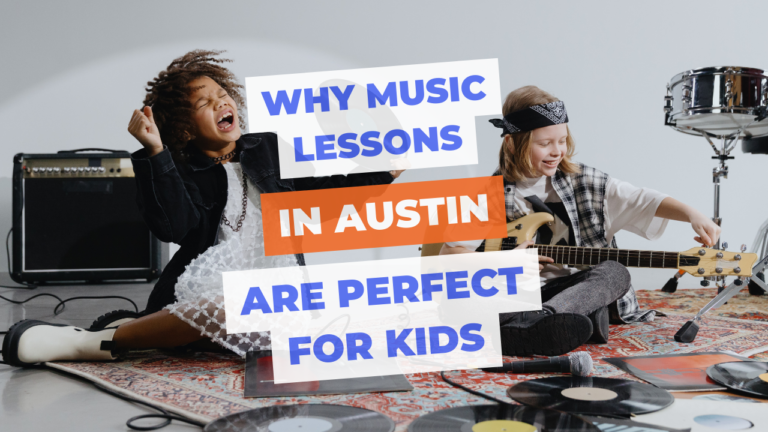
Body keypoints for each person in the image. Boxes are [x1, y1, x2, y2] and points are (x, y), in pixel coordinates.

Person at [2, 50, 402, 367]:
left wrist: (383, 170)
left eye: (222, 94)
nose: (222, 102)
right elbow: (173, 228)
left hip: (279, 284)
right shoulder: (174, 168)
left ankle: (147, 332)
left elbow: (320, 200)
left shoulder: (268, 149)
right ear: (185, 128)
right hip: (209, 289)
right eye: (205, 102)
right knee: (235, 307)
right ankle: (90, 343)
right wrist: (156, 152)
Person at [440, 85, 720, 357]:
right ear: (512, 143)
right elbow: (450, 256)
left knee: (615, 272)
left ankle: (539, 321)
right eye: (544, 143)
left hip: (568, 292)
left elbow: (640, 198)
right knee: (454, 304)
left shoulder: (585, 181)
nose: (556, 151)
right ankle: (558, 325)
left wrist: (691, 215)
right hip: (512, 293)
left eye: (561, 141)